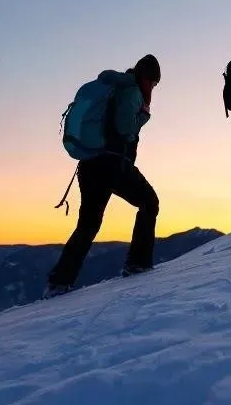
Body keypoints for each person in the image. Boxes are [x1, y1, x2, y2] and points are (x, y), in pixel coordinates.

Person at [45, 54, 161, 298]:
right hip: (113, 163)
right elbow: (124, 128)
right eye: (154, 83)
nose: (153, 88)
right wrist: (144, 115)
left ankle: (59, 282)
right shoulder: (131, 92)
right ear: (148, 78)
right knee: (149, 202)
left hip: (90, 164)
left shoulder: (114, 87)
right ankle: (137, 263)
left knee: (88, 225)